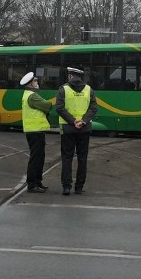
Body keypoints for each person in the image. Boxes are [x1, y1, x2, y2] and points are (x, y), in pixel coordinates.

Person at [56, 66, 98, 195]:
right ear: (81, 77)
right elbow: (93, 108)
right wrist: (83, 121)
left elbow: (59, 108)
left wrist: (72, 121)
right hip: (84, 129)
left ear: (70, 76)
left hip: (68, 129)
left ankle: (66, 186)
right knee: (82, 158)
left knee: (67, 157)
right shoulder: (89, 90)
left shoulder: (63, 89)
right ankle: (79, 187)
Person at [20, 71, 52, 193]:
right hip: (35, 131)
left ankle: (37, 181)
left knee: (39, 157)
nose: (37, 83)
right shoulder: (32, 96)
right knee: (36, 158)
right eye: (35, 81)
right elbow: (47, 105)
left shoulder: (29, 94)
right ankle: (32, 184)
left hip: (35, 130)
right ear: (30, 84)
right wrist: (49, 103)